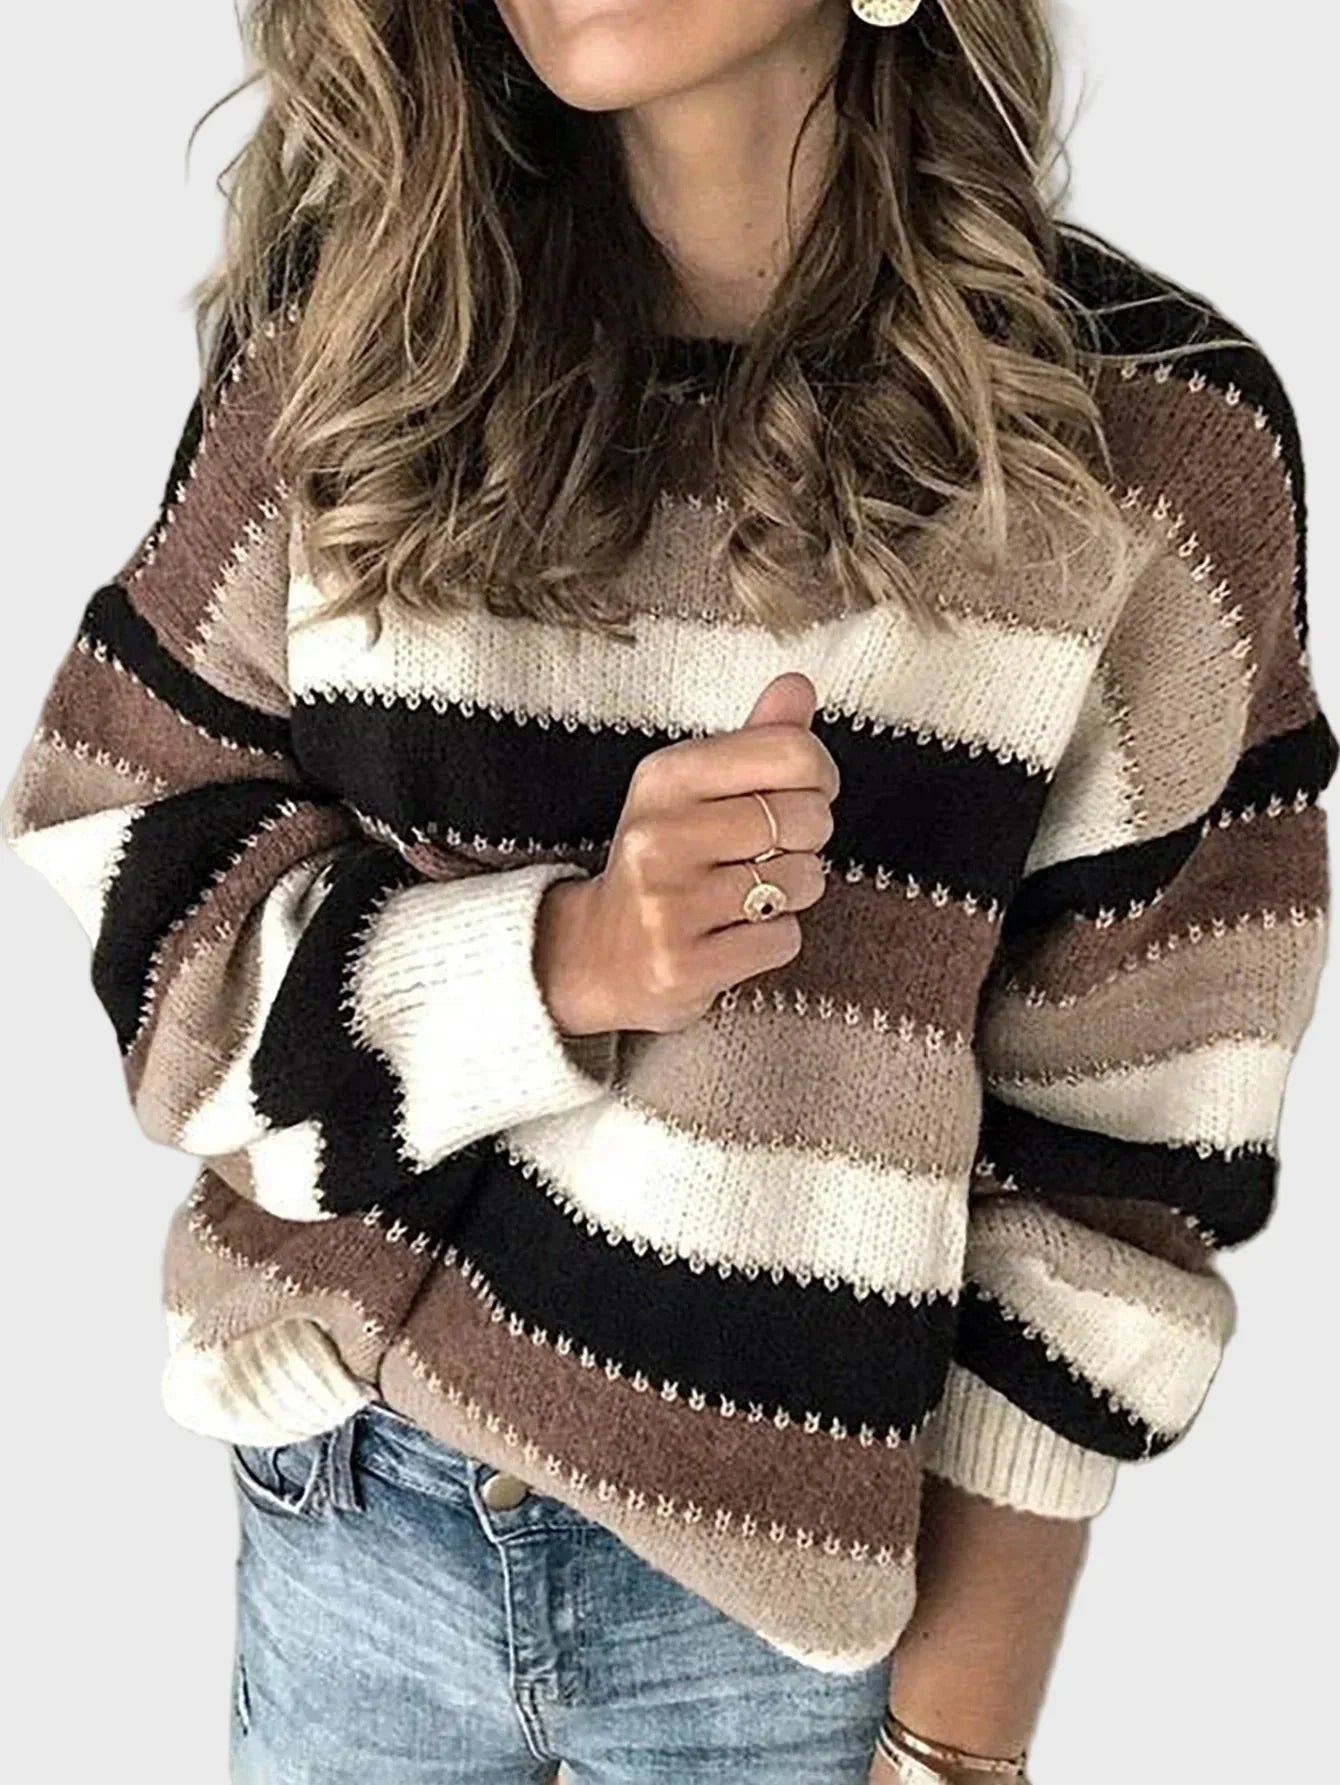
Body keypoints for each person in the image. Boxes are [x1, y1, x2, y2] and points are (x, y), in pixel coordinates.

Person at [3, 1, 1334, 1780]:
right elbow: (136, 866)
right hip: (350, 1517)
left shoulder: (1144, 447)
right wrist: (554, 962)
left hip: (775, 1639)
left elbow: (1125, 1175)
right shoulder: (357, 345)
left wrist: (958, 1747)